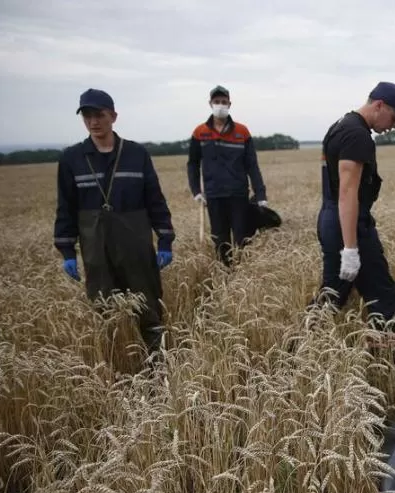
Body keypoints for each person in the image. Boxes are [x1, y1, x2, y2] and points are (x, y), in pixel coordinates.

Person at [53, 88, 176, 361]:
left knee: (147, 305)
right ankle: (118, 364)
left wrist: (165, 238)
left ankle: (158, 362)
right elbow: (66, 207)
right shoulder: (72, 159)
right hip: (96, 249)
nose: (94, 121)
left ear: (114, 116)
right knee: (105, 308)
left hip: (136, 246)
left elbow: (155, 199)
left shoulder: (135, 154)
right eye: (87, 116)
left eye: (100, 115)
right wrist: (67, 251)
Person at [311, 81, 395, 341]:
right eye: (394, 117)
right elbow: (347, 194)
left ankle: (301, 350)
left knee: (333, 294)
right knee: (382, 296)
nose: (393, 126)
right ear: (379, 105)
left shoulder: (341, 126)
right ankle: (390, 358)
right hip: (348, 225)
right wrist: (350, 249)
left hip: (334, 221)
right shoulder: (356, 135)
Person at [186, 85, 270, 267]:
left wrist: (261, 195)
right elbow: (193, 164)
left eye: (224, 102)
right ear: (210, 104)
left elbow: (252, 166)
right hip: (214, 196)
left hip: (238, 195)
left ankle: (245, 275)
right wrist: (196, 191)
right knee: (220, 241)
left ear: (230, 104)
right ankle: (225, 275)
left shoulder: (242, 132)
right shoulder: (200, 133)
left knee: (243, 239)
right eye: (217, 102)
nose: (220, 105)